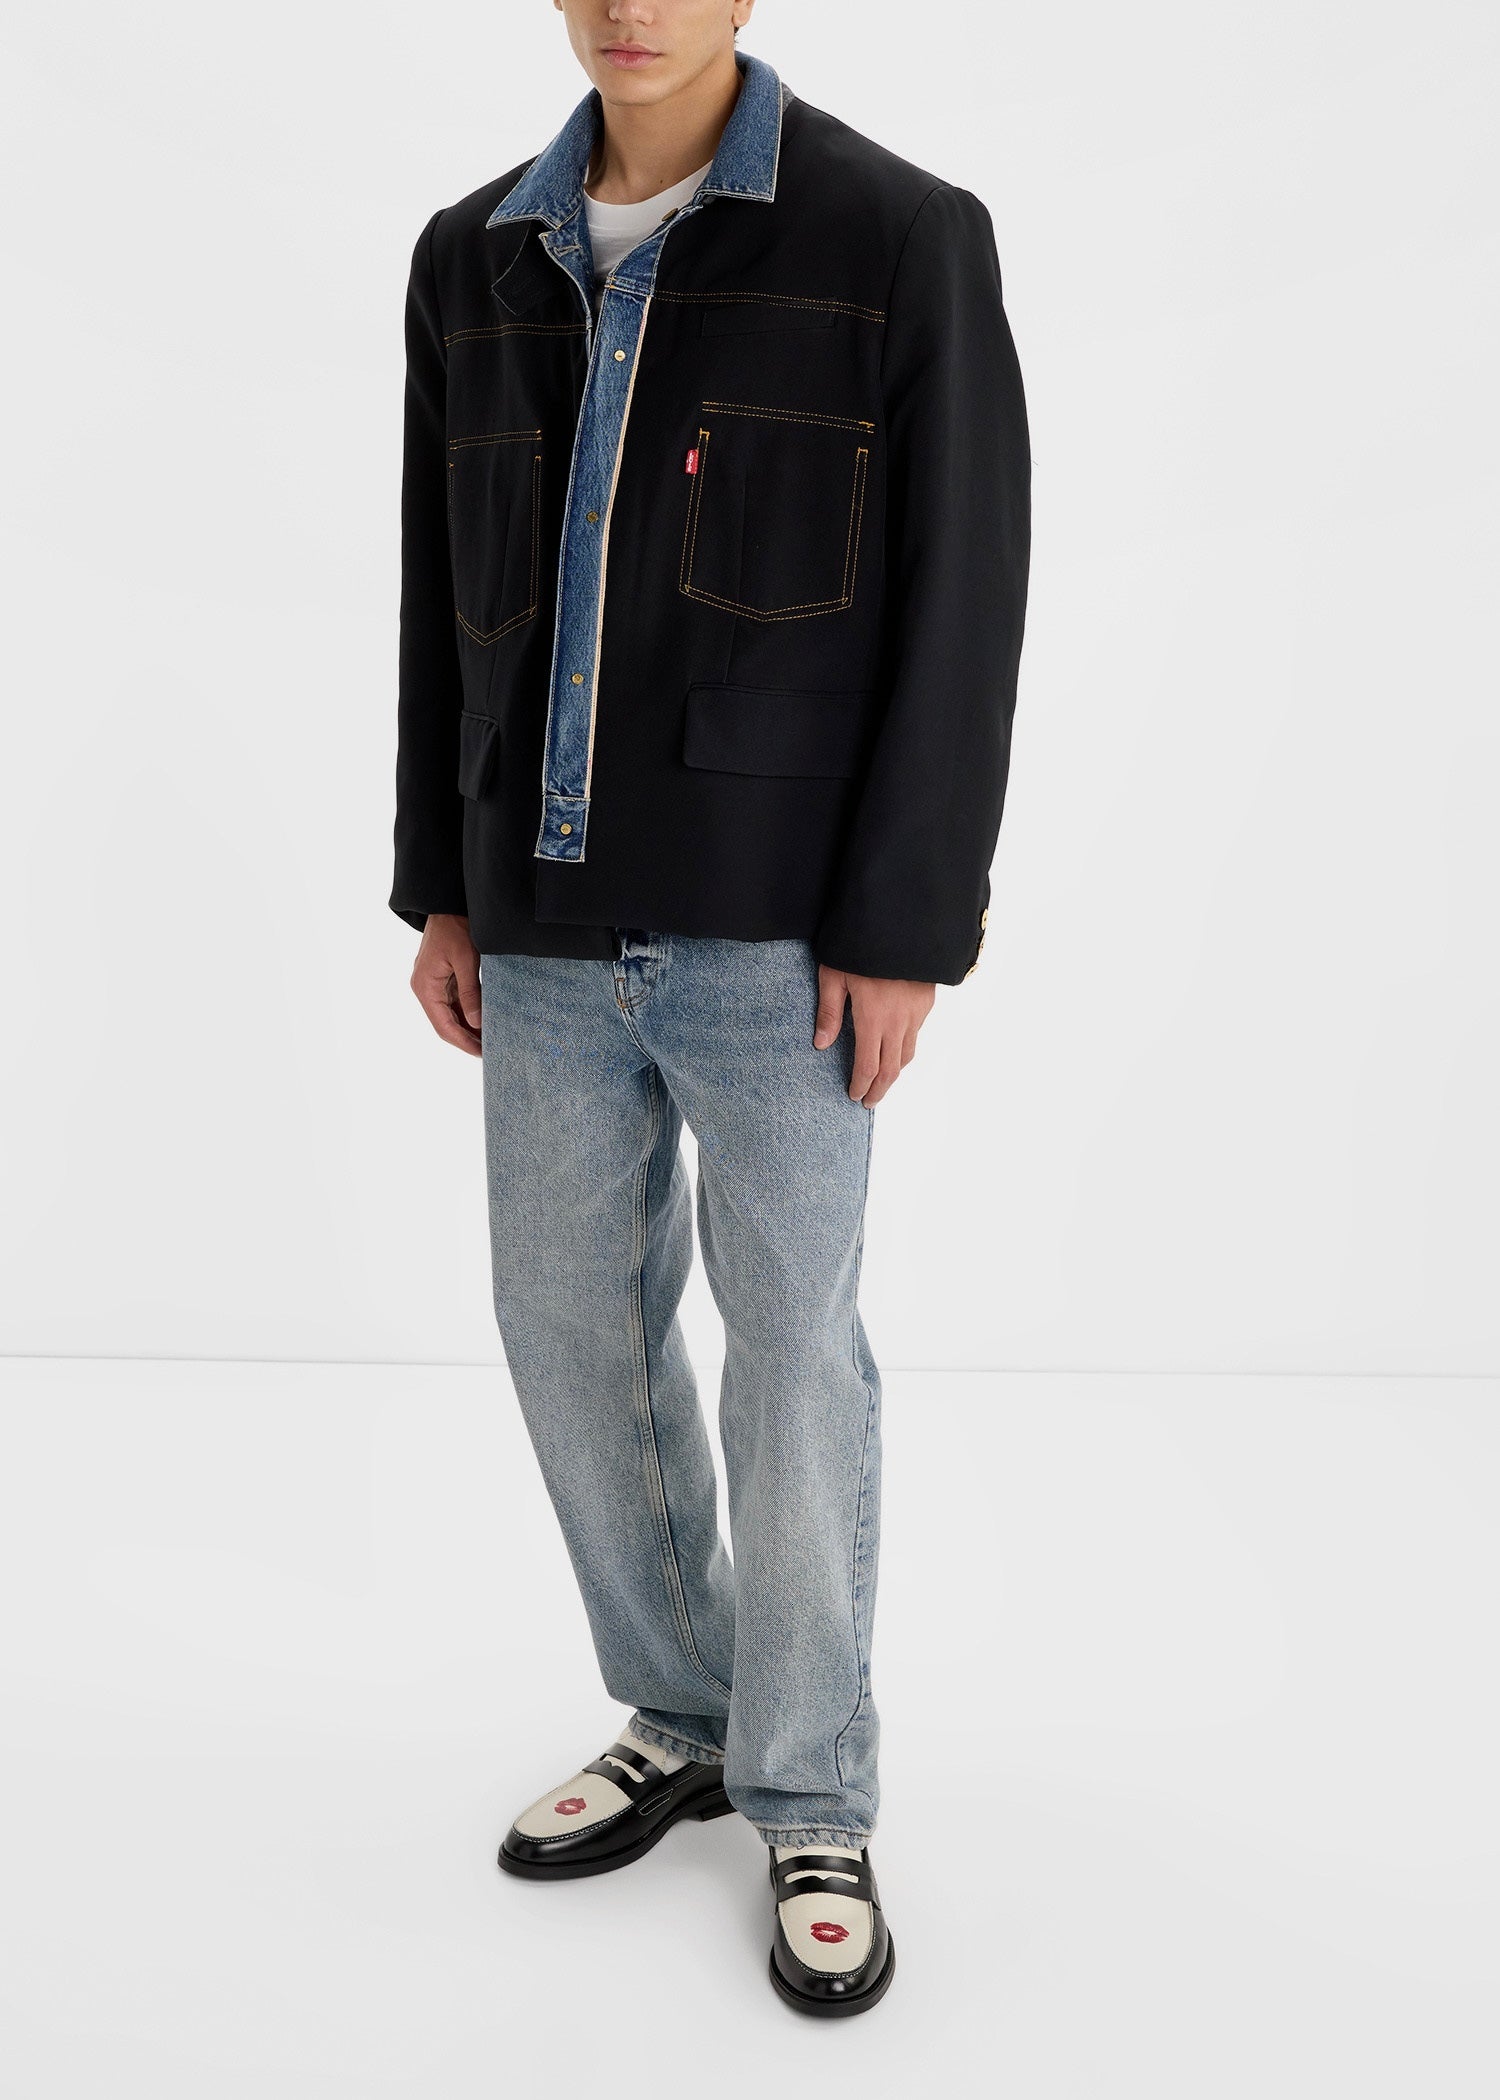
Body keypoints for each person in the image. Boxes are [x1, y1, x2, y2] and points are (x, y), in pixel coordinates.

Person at [391, 0, 1029, 2018]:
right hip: (538, 917)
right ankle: (681, 1706)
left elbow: (963, 595)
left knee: (793, 1355)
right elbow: (436, 590)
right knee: (564, 1325)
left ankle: (811, 1785)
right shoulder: (472, 255)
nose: (632, 8)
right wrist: (441, 878)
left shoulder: (898, 236)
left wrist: (907, 923)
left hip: (784, 938)